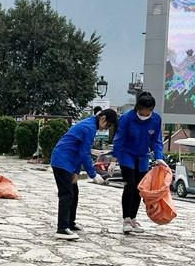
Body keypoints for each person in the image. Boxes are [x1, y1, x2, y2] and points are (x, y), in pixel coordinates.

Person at [50, 109, 118, 240]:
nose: (106, 129)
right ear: (102, 119)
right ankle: (62, 228)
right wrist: (93, 174)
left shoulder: (89, 124)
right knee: (66, 194)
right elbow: (84, 153)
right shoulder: (89, 128)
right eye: (108, 125)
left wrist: (75, 172)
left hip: (69, 161)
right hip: (62, 160)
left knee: (74, 192)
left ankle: (70, 222)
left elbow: (79, 151)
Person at [111, 91, 165, 234]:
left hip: (143, 156)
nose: (145, 114)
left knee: (139, 188)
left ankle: (134, 218)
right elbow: (119, 138)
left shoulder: (156, 119)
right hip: (126, 154)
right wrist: (114, 159)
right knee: (130, 184)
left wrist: (160, 157)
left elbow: (157, 140)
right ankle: (126, 219)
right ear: (138, 108)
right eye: (143, 111)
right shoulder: (127, 118)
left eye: (149, 112)